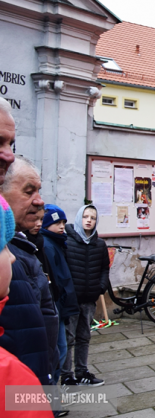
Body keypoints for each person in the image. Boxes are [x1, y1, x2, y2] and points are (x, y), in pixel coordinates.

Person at [0, 157, 56, 386]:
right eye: (28, 191)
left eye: (39, 191)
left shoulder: (21, 248)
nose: (39, 201)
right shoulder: (8, 258)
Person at [62, 205, 108, 386]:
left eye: (93, 217)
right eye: (86, 216)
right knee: (68, 338)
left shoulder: (100, 244)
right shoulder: (67, 241)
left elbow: (105, 268)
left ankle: (82, 372)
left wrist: (101, 287)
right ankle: (66, 375)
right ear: (79, 218)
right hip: (71, 300)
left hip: (89, 299)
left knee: (84, 336)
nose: (89, 220)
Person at [42, 204, 79, 385]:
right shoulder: (48, 245)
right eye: (57, 222)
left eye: (64, 222)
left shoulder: (57, 242)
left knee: (61, 348)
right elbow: (55, 279)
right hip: (56, 303)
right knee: (60, 349)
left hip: (59, 303)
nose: (62, 226)